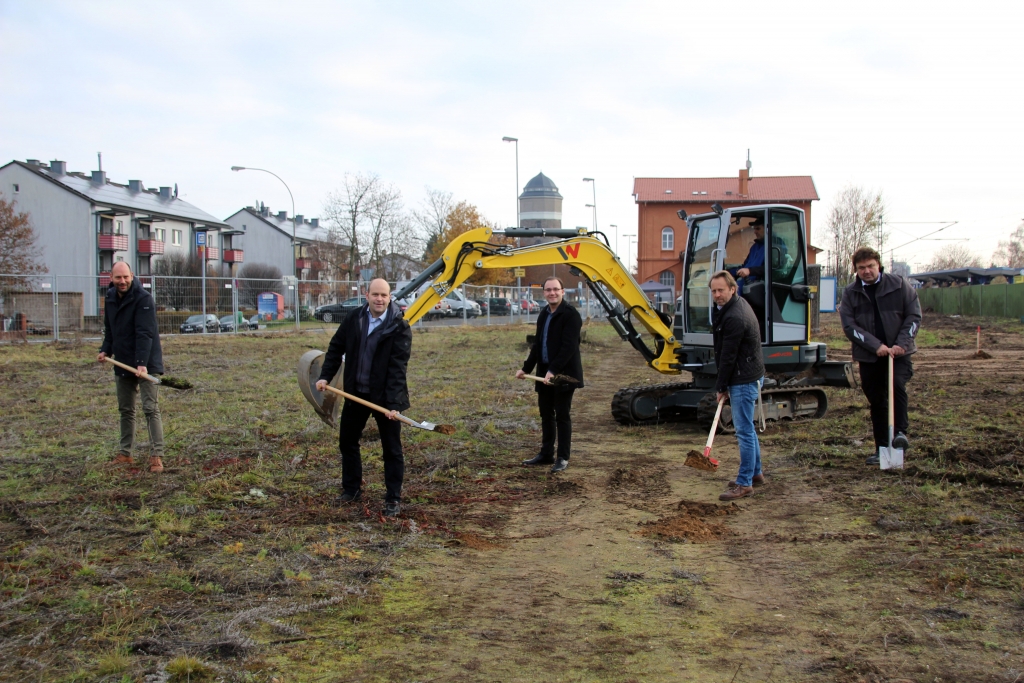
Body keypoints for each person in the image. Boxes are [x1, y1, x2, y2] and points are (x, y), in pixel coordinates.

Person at [316, 278, 412, 517]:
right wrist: (325, 376)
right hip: (355, 394)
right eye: (375, 294)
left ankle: (393, 498)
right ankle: (352, 490)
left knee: (391, 449)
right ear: (366, 295)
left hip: (384, 398)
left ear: (390, 298)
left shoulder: (399, 326)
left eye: (384, 295)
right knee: (347, 442)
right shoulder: (354, 319)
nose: (380, 299)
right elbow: (336, 347)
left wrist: (393, 406)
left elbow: (398, 369)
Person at [839, 247, 920, 466]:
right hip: (870, 357)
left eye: (870, 266)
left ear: (879, 265)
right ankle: (882, 447)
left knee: (896, 385)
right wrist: (875, 346)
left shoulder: (900, 285)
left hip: (899, 354)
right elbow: (849, 326)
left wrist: (901, 345)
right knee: (877, 400)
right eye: (861, 268)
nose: (867, 271)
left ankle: (901, 433)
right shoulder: (851, 293)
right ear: (856, 270)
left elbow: (913, 316)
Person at [97, 261, 166, 473]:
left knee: (150, 408)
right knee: (126, 410)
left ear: (132, 275)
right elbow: (110, 329)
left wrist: (142, 364)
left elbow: (144, 334)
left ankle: (156, 455)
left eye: (126, 277)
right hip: (123, 361)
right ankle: (125, 453)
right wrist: (105, 350)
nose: (122, 281)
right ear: (111, 278)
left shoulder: (144, 299)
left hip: (147, 363)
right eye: (118, 278)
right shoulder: (109, 298)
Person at [516, 277, 584, 473]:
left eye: (556, 289)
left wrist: (553, 371)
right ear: (544, 293)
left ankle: (562, 457)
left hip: (564, 375)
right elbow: (538, 345)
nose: (552, 293)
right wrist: (526, 369)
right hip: (544, 373)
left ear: (563, 291)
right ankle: (546, 454)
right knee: (546, 414)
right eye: (548, 290)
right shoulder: (544, 314)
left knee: (562, 415)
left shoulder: (571, 315)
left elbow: (568, 348)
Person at [709, 270, 766, 501]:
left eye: (721, 290)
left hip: (743, 378)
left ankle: (744, 483)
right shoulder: (733, 306)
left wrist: (721, 386)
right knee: (748, 430)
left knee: (743, 431)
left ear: (733, 289)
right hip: (749, 372)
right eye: (713, 291)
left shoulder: (735, 317)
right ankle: (756, 474)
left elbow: (728, 356)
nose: (717, 295)